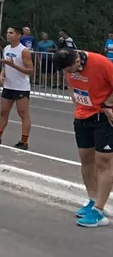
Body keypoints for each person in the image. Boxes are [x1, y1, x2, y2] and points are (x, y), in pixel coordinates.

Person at [54, 47, 113, 227]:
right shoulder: (67, 68)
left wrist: (107, 104)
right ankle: (92, 199)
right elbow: (71, 84)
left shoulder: (101, 63)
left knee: (104, 161)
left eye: (70, 69)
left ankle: (99, 211)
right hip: (82, 116)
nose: (68, 73)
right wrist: (75, 98)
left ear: (78, 60)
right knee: (86, 159)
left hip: (103, 117)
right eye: (65, 71)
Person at [0, 27, 33, 149]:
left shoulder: (24, 51)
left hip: (21, 87)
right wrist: (1, 75)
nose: (8, 35)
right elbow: (5, 66)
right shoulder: (6, 48)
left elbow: (30, 71)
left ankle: (24, 141)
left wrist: (14, 65)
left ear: (19, 35)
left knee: (23, 114)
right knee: (3, 112)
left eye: (11, 33)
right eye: (7, 32)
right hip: (9, 86)